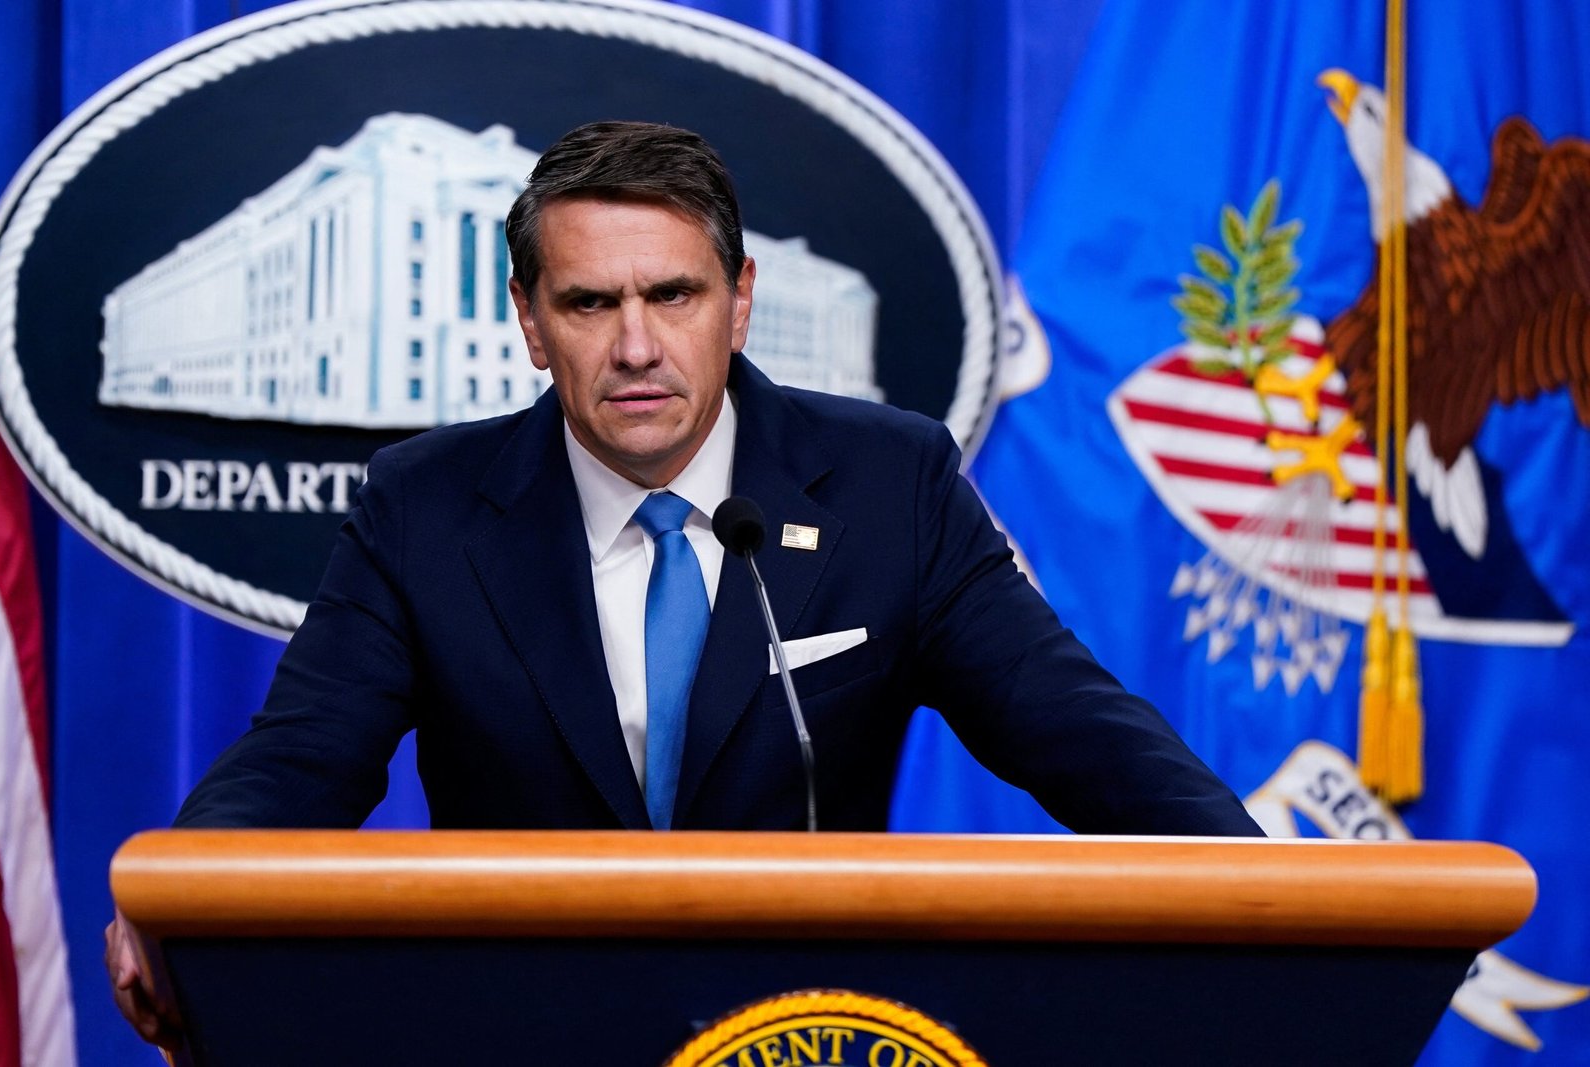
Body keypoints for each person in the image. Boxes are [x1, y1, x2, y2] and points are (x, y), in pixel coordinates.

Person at [108, 120, 1263, 1046]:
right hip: (521, 1037)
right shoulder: (425, 507)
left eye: (673, 295)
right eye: (589, 303)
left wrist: (1275, 896)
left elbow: (1077, 729)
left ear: (739, 298)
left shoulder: (886, 486)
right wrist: (183, 896)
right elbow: (303, 754)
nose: (636, 346)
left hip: (801, 1035)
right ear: (529, 320)